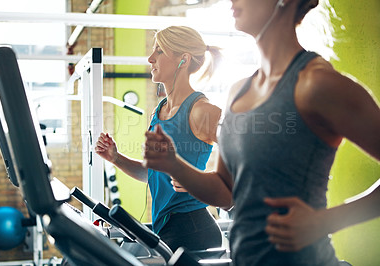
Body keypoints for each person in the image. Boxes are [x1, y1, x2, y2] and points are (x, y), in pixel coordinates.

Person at [143, 0, 380, 265]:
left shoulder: (317, 84)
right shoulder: (239, 92)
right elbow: (225, 191)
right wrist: (174, 165)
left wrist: (324, 221)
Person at [95, 25, 223, 252]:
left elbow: (246, 158)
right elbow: (154, 176)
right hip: (166, 226)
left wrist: (199, 180)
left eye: (160, 51)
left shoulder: (202, 111)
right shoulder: (159, 111)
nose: (150, 58)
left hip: (193, 228)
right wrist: (116, 158)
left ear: (183, 60)